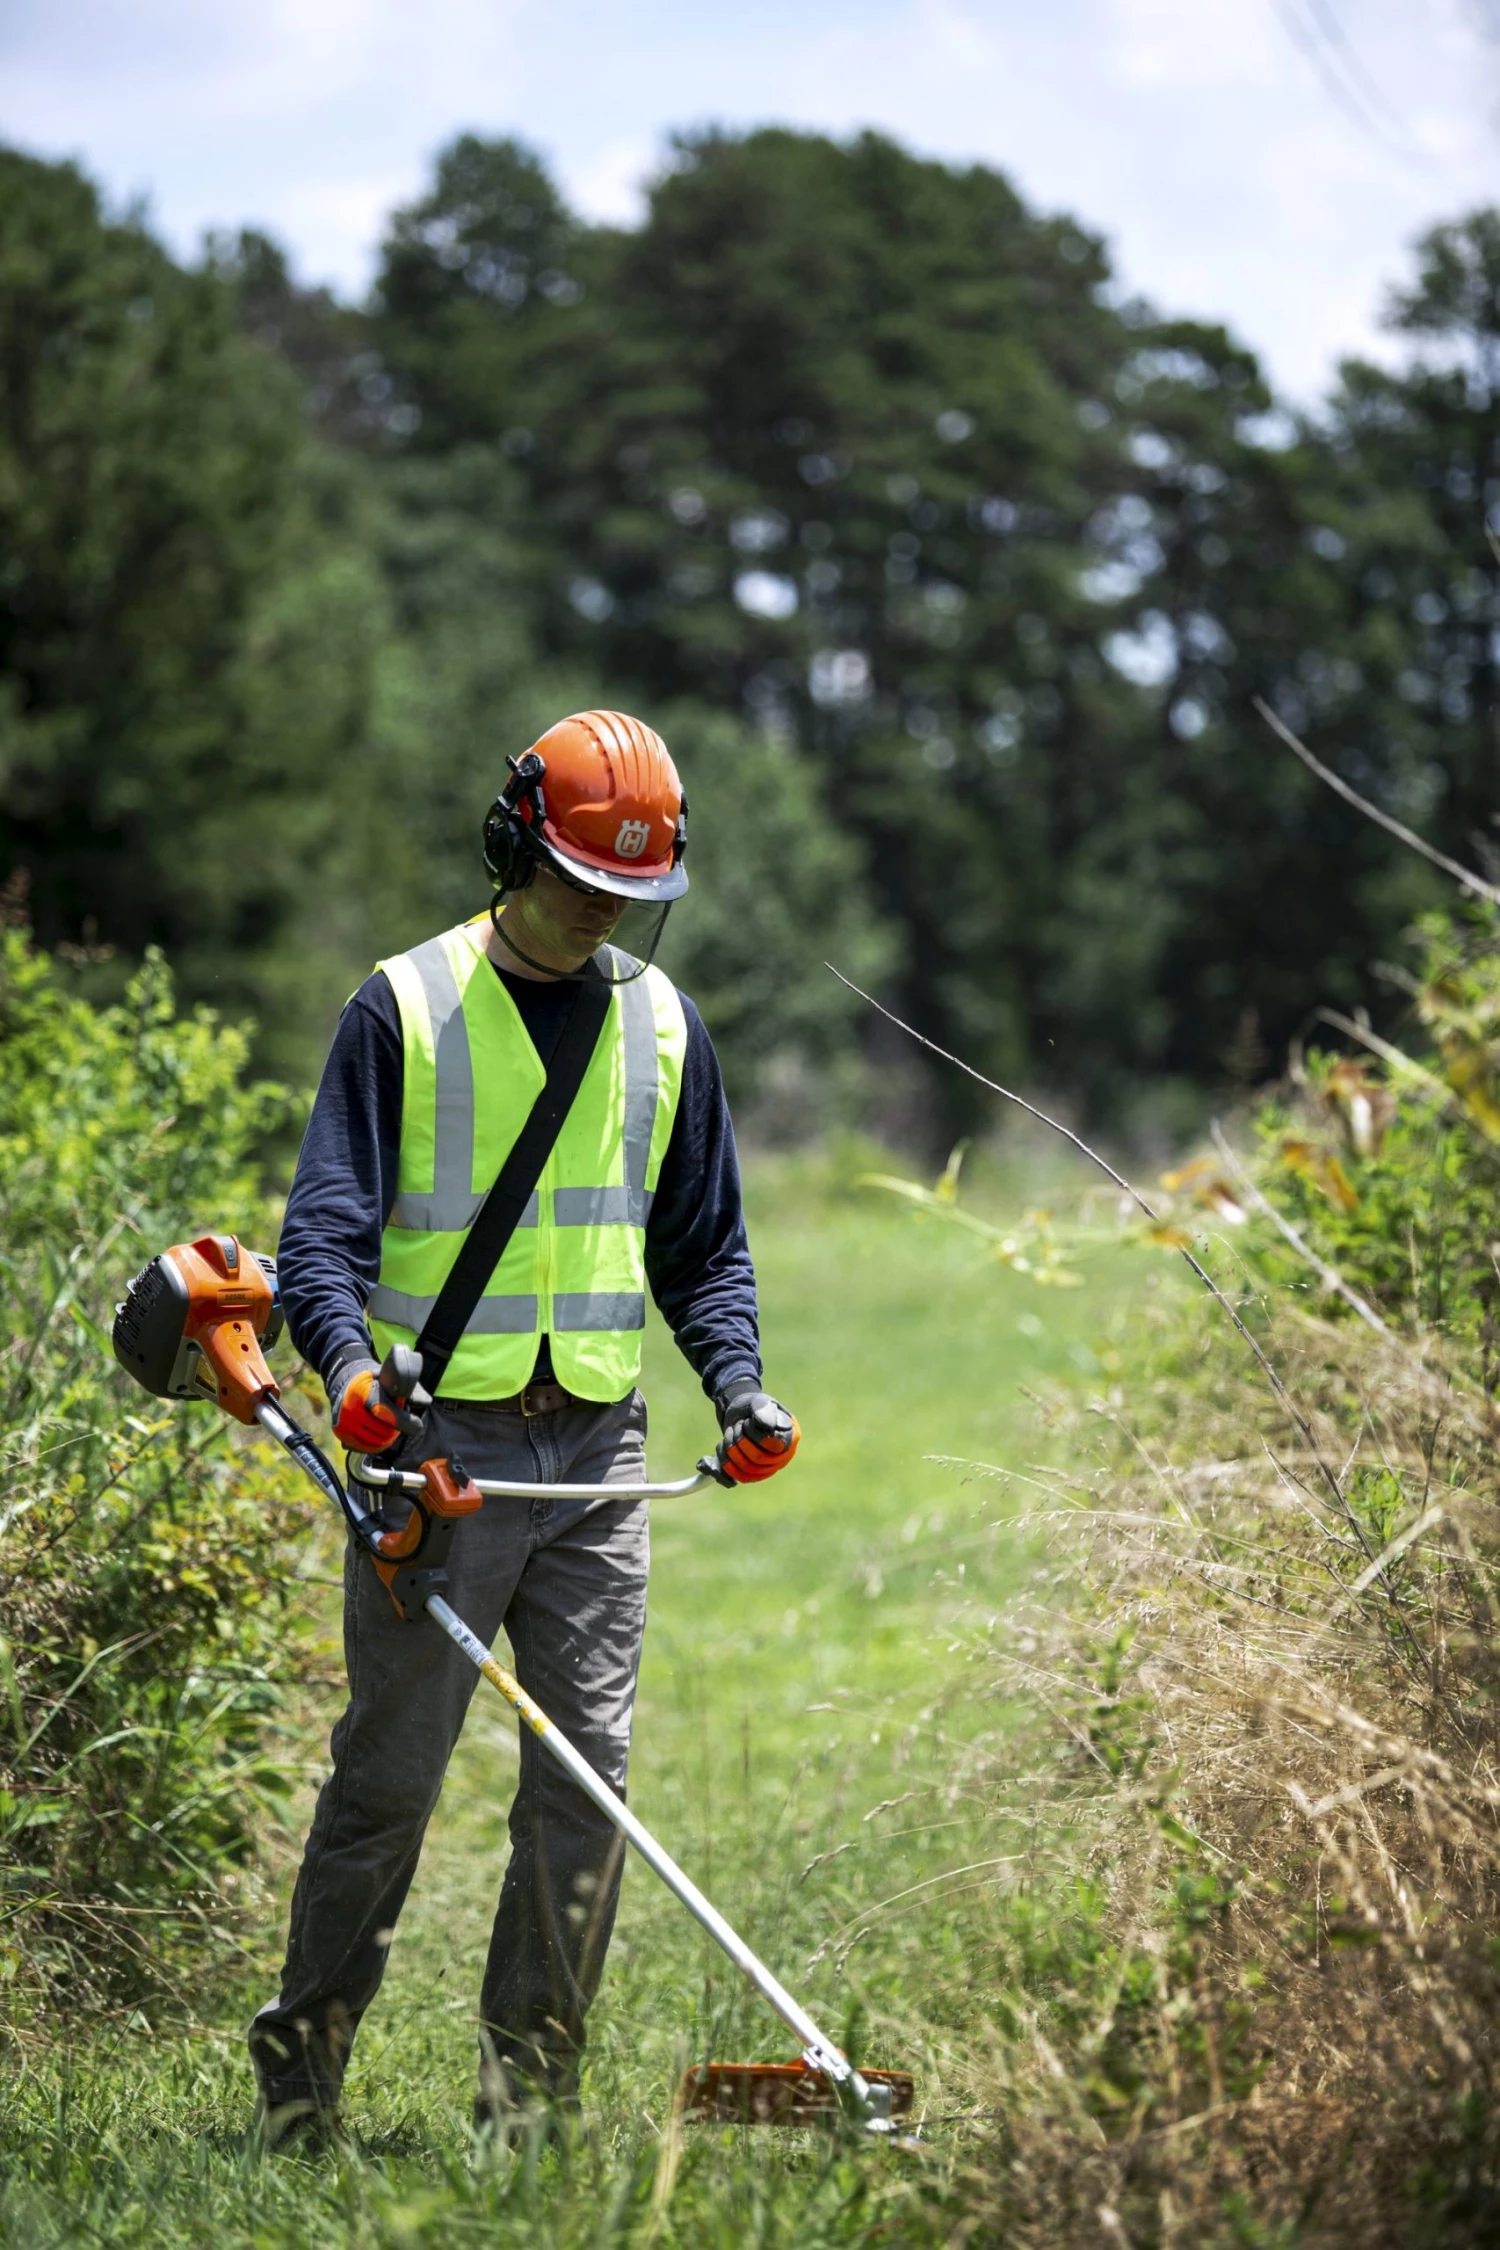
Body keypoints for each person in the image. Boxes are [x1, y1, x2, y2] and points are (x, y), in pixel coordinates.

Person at [250, 708, 799, 2142]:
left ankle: (528, 2106)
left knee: (586, 1786)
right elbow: (319, 1242)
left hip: (601, 1455)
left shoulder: (663, 1026)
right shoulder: (406, 1006)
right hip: (442, 1458)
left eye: (635, 892)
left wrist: (738, 1387)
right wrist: (346, 1369)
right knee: (388, 1781)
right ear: (513, 849)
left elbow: (704, 1248)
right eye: (584, 881)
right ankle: (302, 2081)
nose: (609, 911)